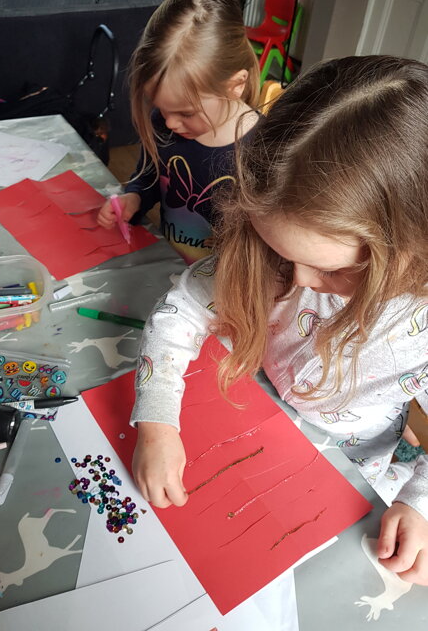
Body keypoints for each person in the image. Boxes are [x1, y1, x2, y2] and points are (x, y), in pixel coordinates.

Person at [130, 55, 428, 586]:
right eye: (282, 255)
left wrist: (420, 504)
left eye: (331, 270)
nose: (300, 281)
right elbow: (178, 314)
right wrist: (156, 425)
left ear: (410, 249)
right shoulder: (276, 254)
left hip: (356, 470)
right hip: (253, 411)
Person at [97, 0, 260, 264]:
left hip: (224, 282)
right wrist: (134, 198)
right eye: (160, 107)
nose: (170, 122)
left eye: (186, 112)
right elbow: (149, 177)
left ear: (236, 85)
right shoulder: (162, 124)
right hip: (172, 269)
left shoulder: (264, 148)